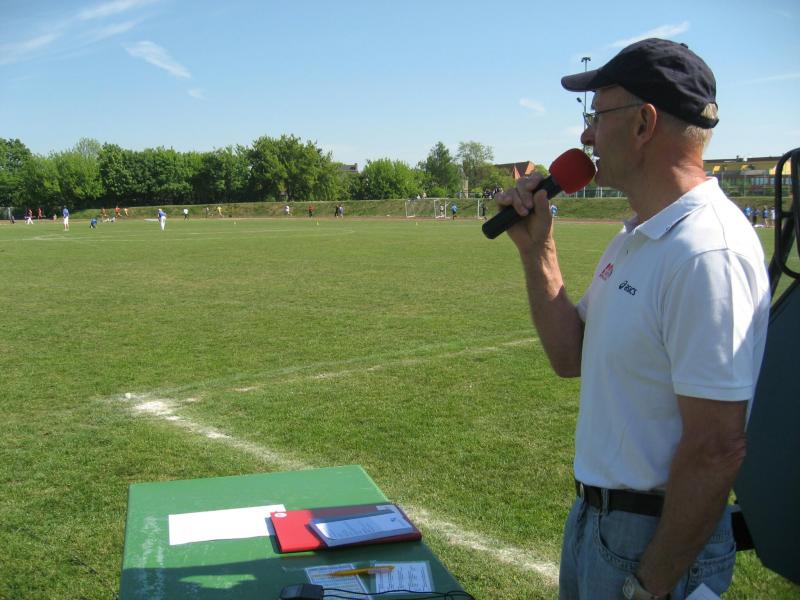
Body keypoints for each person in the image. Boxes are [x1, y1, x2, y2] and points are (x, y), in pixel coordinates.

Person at [495, 39, 770, 600]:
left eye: (598, 115)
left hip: (653, 542)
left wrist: (650, 585)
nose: (586, 136)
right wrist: (537, 249)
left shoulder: (706, 252)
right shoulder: (640, 235)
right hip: (597, 522)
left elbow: (717, 447)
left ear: (644, 123)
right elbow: (570, 356)